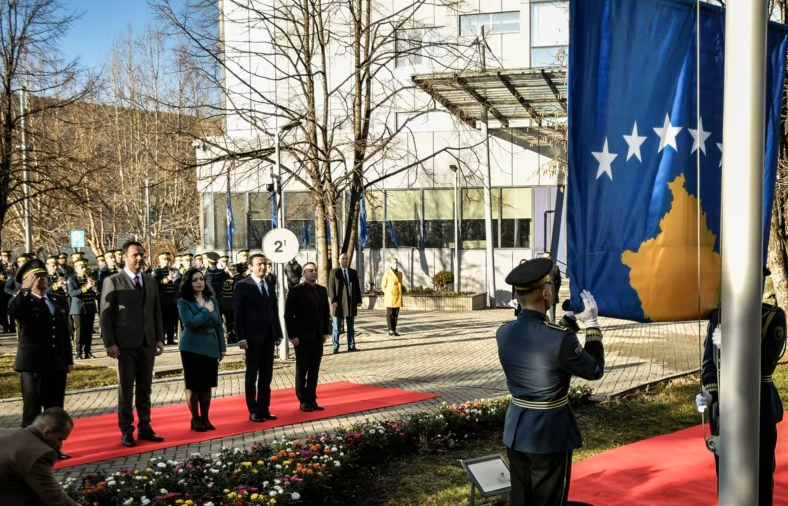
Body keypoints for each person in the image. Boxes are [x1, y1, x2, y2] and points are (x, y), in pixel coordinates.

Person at [497, 258, 605, 506]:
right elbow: (595, 369)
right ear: (545, 293)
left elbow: (540, 338)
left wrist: (569, 321)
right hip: (548, 434)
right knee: (549, 502)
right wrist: (592, 324)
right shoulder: (560, 339)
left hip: (516, 429)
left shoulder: (503, 333)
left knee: (521, 500)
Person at [696, 266, 784, 506]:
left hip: (758, 407)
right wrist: (709, 394)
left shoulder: (771, 316)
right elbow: (709, 363)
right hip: (724, 411)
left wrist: (732, 345)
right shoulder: (719, 315)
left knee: (760, 476)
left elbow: (765, 366)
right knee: (725, 475)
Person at [100, 241, 165, 447]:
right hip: (124, 345)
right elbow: (106, 315)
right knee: (126, 389)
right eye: (135, 255)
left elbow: (156, 312)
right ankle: (126, 430)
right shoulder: (113, 281)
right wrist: (109, 343)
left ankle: (145, 426)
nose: (140, 259)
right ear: (124, 257)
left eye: (142, 255)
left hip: (147, 343)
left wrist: (159, 338)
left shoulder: (150, 282)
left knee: (145, 388)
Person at [8, 259, 74, 452]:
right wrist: (25, 290)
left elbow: (64, 334)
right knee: (32, 411)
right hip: (34, 365)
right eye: (37, 276)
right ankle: (29, 452)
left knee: (55, 410)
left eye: (44, 275)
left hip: (56, 363)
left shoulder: (56, 300)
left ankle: (53, 450)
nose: (42, 279)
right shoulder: (23, 300)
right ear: (27, 280)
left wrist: (68, 360)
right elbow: (12, 311)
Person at [234, 253, 282, 422]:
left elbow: (273, 310)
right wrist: (241, 338)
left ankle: (264, 408)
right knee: (251, 375)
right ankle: (253, 409)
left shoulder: (269, 283)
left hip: (269, 336)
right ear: (250, 267)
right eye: (259, 264)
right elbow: (238, 314)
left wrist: (278, 332)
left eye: (265, 263)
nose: (263, 267)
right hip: (252, 338)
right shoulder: (243, 285)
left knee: (266, 375)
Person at [177, 268, 226, 432]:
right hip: (191, 347)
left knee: (207, 385)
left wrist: (222, 347)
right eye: (195, 280)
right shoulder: (184, 301)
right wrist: (205, 310)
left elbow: (219, 324)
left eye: (201, 279)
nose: (199, 282)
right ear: (188, 283)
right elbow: (190, 323)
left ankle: (205, 417)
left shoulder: (211, 299)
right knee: (194, 385)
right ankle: (195, 418)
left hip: (211, 346)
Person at [0, 407, 81, 506]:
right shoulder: (38, 454)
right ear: (46, 432)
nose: (60, 445)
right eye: (60, 439)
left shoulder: (4, 432)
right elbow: (57, 500)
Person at [285, 262, 330, 412]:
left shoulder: (322, 290)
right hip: (302, 336)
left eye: (315, 270)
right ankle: (303, 399)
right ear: (303, 273)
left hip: (317, 335)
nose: (314, 272)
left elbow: (325, 312)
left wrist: (325, 332)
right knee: (302, 368)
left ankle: (312, 398)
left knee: (314, 369)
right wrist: (292, 335)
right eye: (310, 270)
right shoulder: (295, 291)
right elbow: (288, 315)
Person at [328, 252, 362, 353]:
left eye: (346, 259)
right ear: (339, 260)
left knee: (350, 326)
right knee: (337, 326)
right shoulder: (334, 272)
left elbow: (357, 287)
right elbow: (331, 287)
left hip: (351, 302)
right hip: (338, 303)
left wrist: (359, 300)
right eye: (343, 258)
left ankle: (351, 346)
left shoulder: (353, 272)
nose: (345, 260)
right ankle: (335, 346)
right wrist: (333, 300)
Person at [67, 259, 98, 360]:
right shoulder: (72, 279)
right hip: (78, 309)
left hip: (90, 307)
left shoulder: (90, 278)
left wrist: (94, 288)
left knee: (88, 331)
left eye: (85, 267)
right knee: (79, 331)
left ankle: (88, 351)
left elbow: (95, 294)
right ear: (76, 269)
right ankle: (78, 352)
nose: (85, 269)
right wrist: (86, 287)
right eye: (82, 267)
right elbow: (72, 293)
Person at [152, 252, 180, 346]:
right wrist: (166, 280)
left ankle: (171, 339)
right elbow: (155, 283)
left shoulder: (173, 270)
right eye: (165, 260)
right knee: (162, 321)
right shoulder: (157, 271)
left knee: (171, 321)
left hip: (172, 299)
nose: (167, 262)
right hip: (162, 299)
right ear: (160, 260)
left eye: (168, 260)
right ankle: (162, 339)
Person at [381, 258, 404, 336]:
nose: (395, 264)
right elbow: (383, 286)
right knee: (390, 313)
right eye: (394, 263)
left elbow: (400, 284)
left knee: (396, 314)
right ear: (390, 264)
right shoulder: (387, 273)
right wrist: (388, 293)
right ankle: (390, 330)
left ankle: (394, 329)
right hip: (390, 296)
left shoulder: (400, 273)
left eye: (396, 263)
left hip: (398, 296)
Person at [222, 262, 241, 344]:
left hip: (234, 303)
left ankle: (235, 336)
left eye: (234, 269)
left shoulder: (238, 278)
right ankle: (229, 337)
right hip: (226, 303)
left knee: (235, 321)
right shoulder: (223, 277)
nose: (232, 271)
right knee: (227, 322)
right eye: (231, 270)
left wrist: (236, 277)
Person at [543, 252, 562, 323]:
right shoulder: (539, 268)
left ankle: (553, 326)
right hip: (541, 293)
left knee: (552, 314)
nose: (545, 259)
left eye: (547, 257)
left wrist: (555, 290)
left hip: (552, 292)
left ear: (550, 258)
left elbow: (559, 282)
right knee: (541, 313)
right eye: (544, 258)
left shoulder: (555, 268)